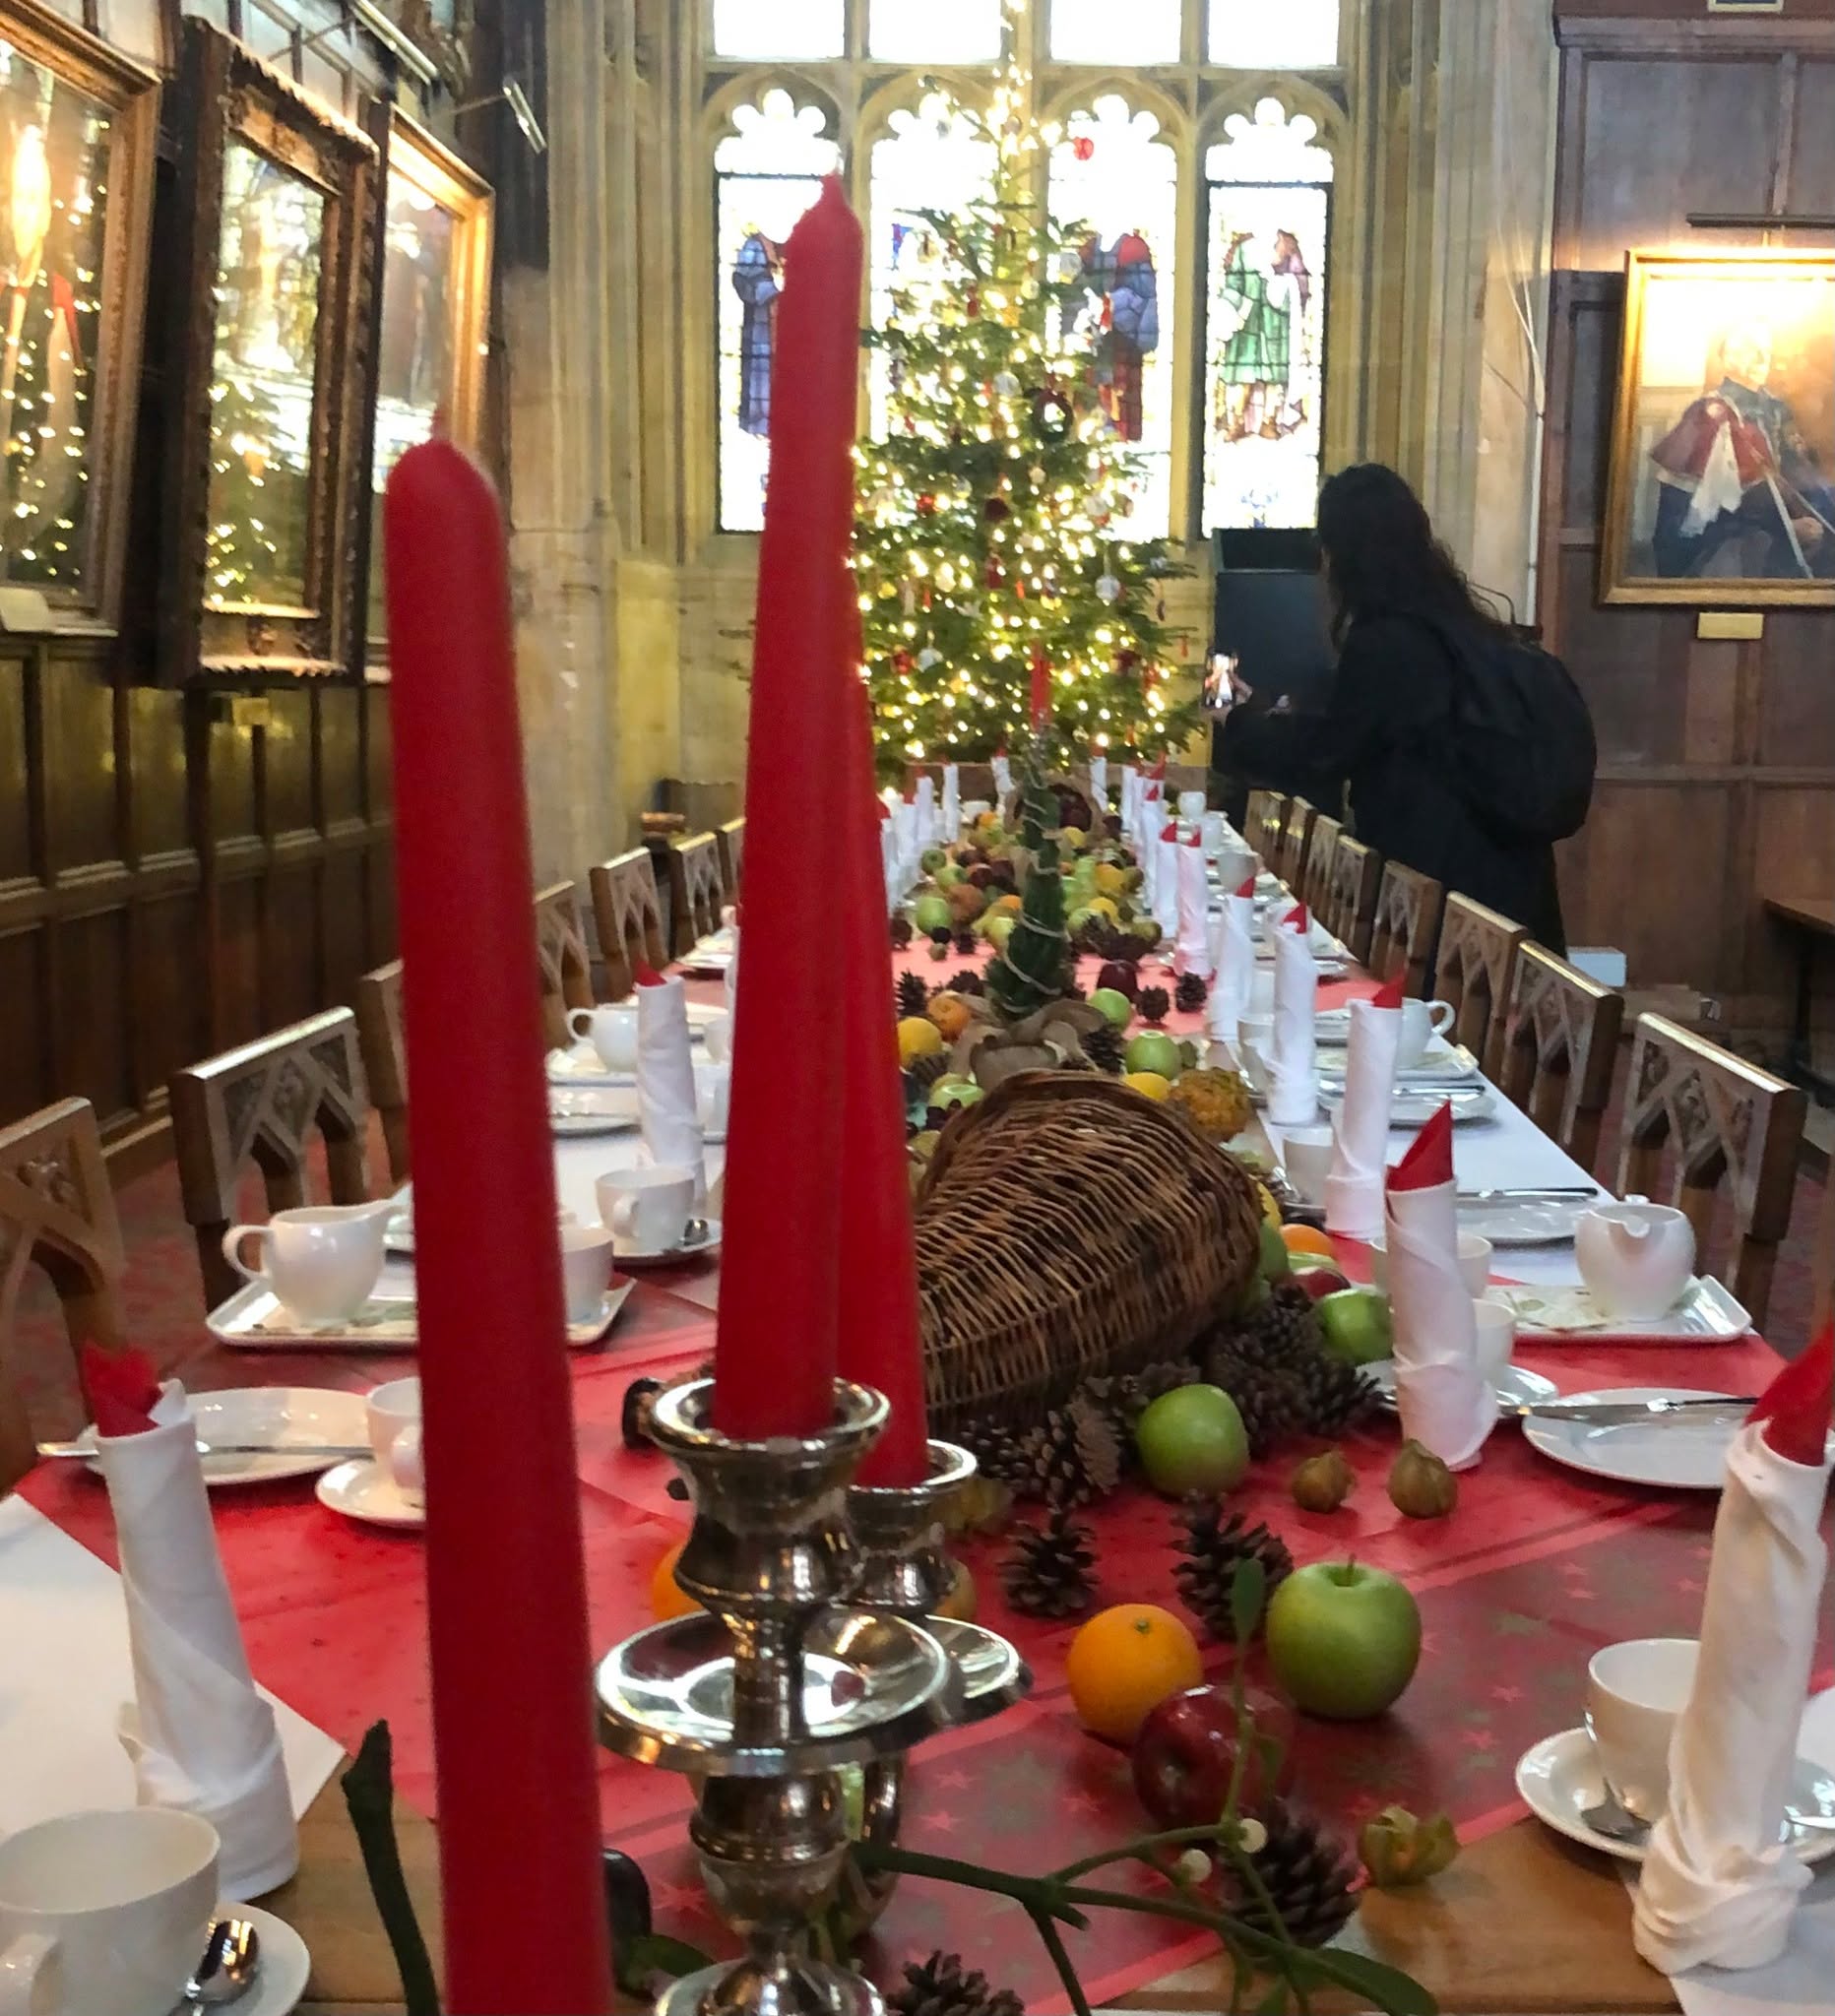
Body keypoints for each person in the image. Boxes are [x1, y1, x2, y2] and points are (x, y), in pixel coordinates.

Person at [1214, 463, 1573, 953]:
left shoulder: (1390, 642)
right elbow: (1358, 728)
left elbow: (1327, 751)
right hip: (1509, 885)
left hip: (1448, 899)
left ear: (1342, 555)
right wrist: (1257, 713)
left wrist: (1237, 720)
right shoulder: (1458, 624)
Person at [1648, 322, 1834, 581]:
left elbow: (1796, 476)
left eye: (1766, 351)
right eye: (1751, 351)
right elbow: (1696, 517)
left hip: (1779, 525)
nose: (1762, 359)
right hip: (1730, 546)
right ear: (1729, 359)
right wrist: (1785, 530)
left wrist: (1813, 512)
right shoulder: (1708, 416)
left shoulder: (1776, 409)